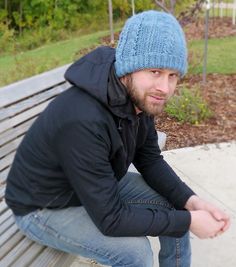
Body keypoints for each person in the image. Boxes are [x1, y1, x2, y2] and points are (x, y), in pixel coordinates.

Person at [5, 10, 230, 267]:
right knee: (134, 253)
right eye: (155, 71)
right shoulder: (82, 118)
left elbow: (150, 160)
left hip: (94, 184)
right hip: (44, 206)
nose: (165, 88)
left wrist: (193, 202)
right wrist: (190, 222)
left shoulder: (137, 95)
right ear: (129, 67)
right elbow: (111, 219)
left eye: (172, 75)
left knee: (178, 207)